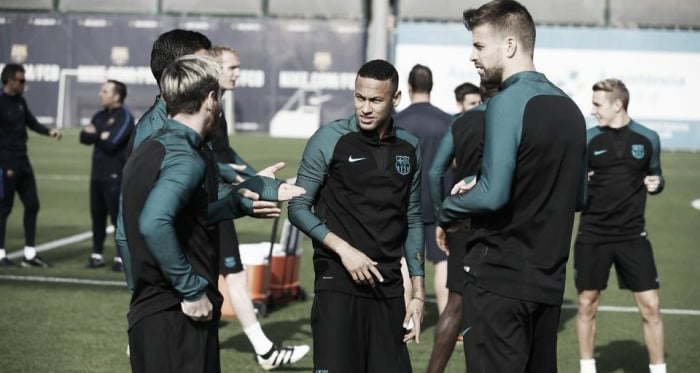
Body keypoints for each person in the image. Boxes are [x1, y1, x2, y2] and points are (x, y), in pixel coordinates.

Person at [436, 1, 588, 371]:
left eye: (478, 46)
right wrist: (480, 180)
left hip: (498, 282)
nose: (472, 56)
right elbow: (579, 196)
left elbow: (493, 195)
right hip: (548, 285)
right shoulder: (571, 108)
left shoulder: (506, 102)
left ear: (509, 46)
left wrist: (446, 212)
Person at [289, 59, 425, 373]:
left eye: (375, 100)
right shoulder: (328, 139)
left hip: (389, 289)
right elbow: (297, 208)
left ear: (396, 99)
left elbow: (413, 217)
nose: (365, 108)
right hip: (337, 283)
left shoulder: (410, 146)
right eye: (359, 97)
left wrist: (417, 294)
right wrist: (344, 251)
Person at [121, 54, 224, 372]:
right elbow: (154, 222)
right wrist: (192, 290)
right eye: (218, 97)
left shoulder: (150, 147)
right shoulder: (185, 157)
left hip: (149, 313)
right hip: (179, 317)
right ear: (209, 100)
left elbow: (126, 235)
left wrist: (242, 201)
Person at [210, 45, 309, 370]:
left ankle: (141, 342)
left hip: (216, 201)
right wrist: (248, 183)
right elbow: (208, 161)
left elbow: (225, 156)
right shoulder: (204, 107)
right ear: (213, 67)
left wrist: (260, 181)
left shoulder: (217, 107)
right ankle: (265, 351)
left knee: (226, 277)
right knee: (228, 276)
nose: (237, 73)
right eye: (232, 67)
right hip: (209, 204)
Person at [574, 79, 666, 373]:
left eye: (598, 105)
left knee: (651, 306)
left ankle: (658, 369)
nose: (592, 110)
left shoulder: (648, 139)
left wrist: (657, 183)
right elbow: (572, 185)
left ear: (618, 105)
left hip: (632, 235)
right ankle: (588, 368)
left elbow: (657, 175)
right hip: (592, 234)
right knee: (587, 303)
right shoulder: (587, 140)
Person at [425, 81, 497, 373]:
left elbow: (434, 172)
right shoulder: (511, 118)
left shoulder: (462, 122)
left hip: (463, 221)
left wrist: (445, 215)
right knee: (497, 307)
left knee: (455, 304)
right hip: (501, 222)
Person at [394, 64, 453, 316]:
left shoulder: (396, 122)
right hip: (439, 201)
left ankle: (403, 321)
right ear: (431, 86)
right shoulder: (448, 121)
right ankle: (448, 322)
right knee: (443, 261)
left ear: (408, 87)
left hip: (404, 203)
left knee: (405, 264)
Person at [0, 63, 62, 268]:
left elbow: (31, 122)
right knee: (3, 209)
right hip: (5, 163)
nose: (24, 84)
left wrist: (48, 131)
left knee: (32, 205)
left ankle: (29, 254)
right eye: (21, 80)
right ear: (9, 81)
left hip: (22, 161)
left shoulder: (20, 101)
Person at [80, 79, 134, 272]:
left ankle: (121, 258)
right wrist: (101, 135)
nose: (99, 94)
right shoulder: (100, 116)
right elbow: (83, 137)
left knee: (117, 218)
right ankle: (97, 255)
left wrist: (98, 134)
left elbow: (112, 143)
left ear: (116, 96)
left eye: (104, 91)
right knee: (97, 216)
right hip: (97, 175)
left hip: (115, 176)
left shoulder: (125, 117)